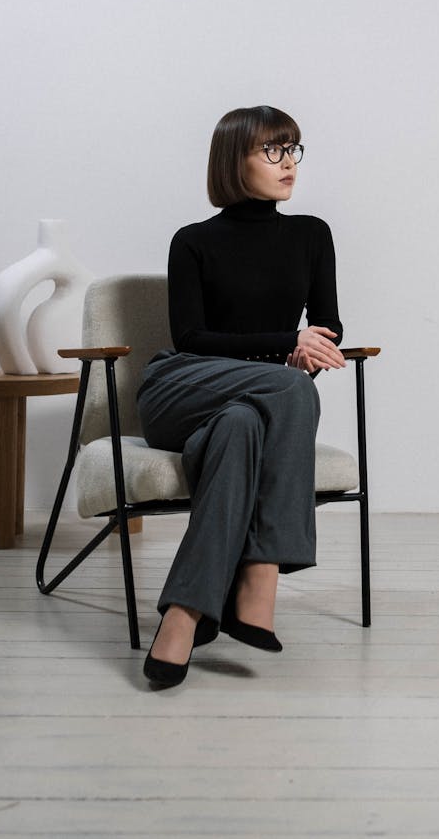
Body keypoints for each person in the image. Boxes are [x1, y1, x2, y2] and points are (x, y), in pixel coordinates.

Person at [136, 105, 346, 687]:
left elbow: (327, 326)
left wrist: (311, 347)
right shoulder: (193, 242)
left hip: (250, 406)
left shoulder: (311, 234)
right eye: (271, 151)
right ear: (235, 160)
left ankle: (184, 613)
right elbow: (192, 339)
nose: (288, 165)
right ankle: (261, 570)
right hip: (182, 386)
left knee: (242, 428)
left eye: (293, 149)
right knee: (287, 383)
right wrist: (288, 348)